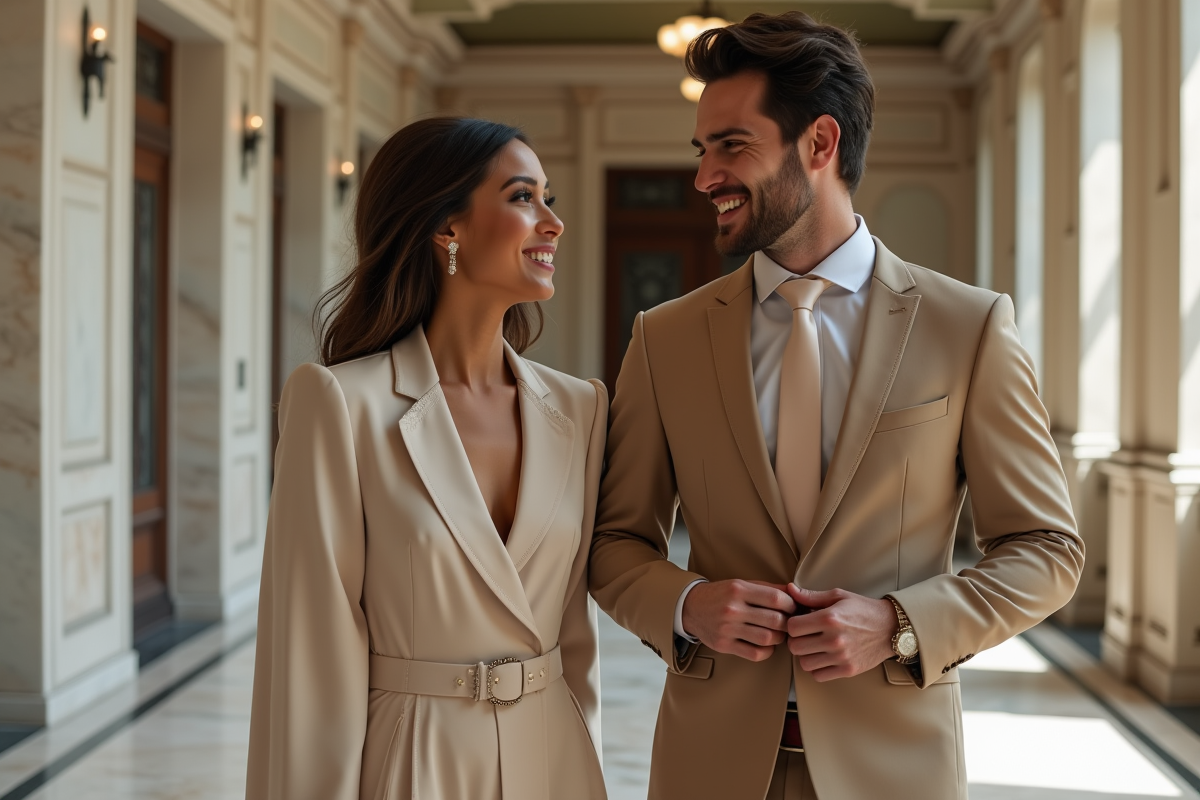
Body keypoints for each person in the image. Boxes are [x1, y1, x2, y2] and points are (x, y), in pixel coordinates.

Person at [589, 12, 1083, 800]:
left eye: (732, 146)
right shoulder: (666, 337)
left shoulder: (968, 326)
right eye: (702, 149)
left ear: (819, 144)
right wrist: (686, 602)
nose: (704, 176)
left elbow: (1046, 549)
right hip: (709, 765)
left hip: (896, 765)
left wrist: (898, 623)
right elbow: (615, 543)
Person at [246, 117, 608, 800]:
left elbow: (573, 638)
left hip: (555, 762)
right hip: (415, 764)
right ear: (449, 228)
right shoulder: (338, 404)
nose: (553, 223)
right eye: (524, 197)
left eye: (548, 198)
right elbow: (309, 662)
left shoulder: (580, 409)